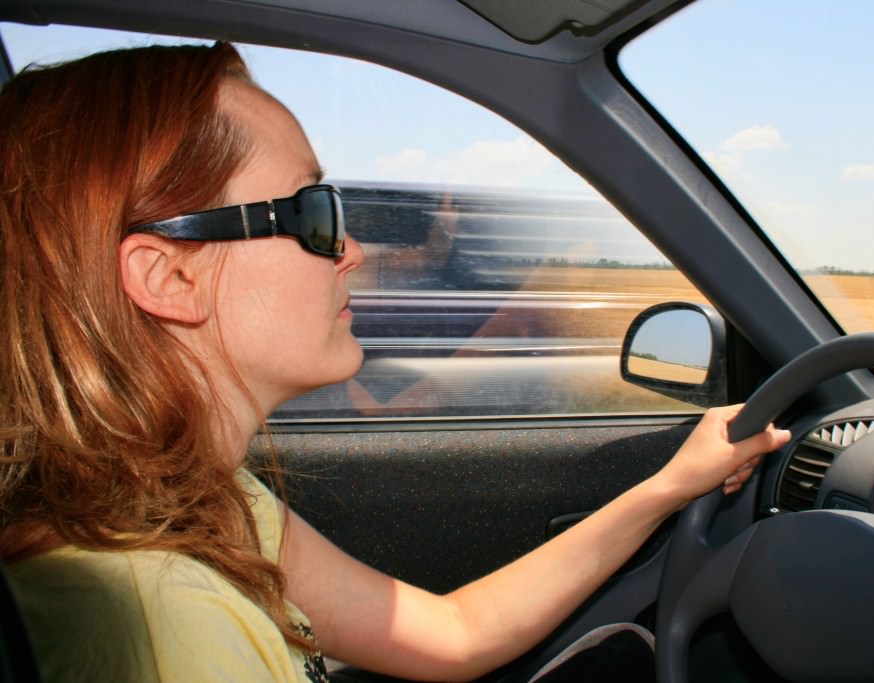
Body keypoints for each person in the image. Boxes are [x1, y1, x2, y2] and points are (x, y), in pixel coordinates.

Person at [0, 42, 791, 682]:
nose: (354, 250)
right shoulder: (161, 626)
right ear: (168, 277)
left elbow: (452, 632)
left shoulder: (202, 500)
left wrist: (666, 486)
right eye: (314, 212)